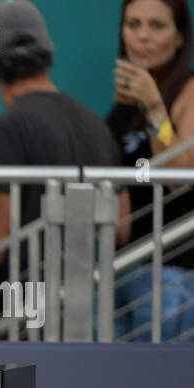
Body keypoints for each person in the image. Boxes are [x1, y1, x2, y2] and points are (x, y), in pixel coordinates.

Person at [0, 0, 130, 291]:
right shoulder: (97, 127)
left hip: (15, 318)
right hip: (80, 315)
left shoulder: (3, 132)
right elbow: (121, 226)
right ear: (49, 51)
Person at [109, 0, 194, 339]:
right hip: (124, 268)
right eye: (133, 24)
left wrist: (155, 105)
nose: (142, 36)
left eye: (157, 26)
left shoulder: (188, 90)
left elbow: (178, 176)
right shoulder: (124, 103)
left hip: (173, 271)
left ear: (179, 37)